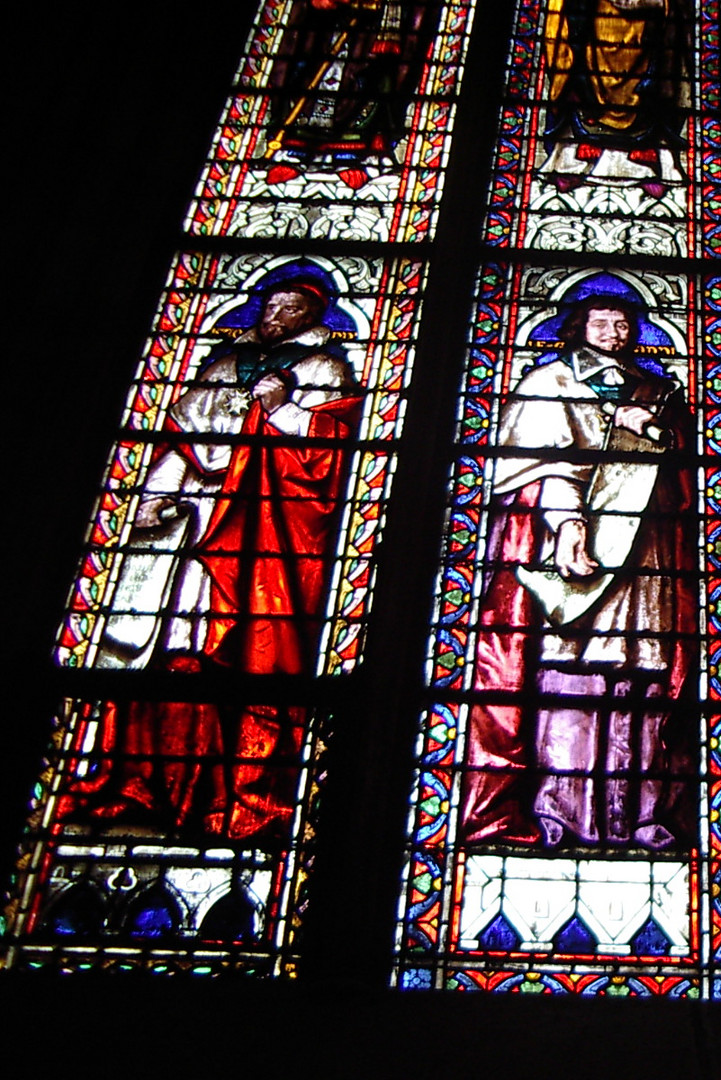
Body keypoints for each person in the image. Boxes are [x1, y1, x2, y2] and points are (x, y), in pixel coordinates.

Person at [60, 274, 362, 841]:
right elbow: (180, 436)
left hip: (261, 532)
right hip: (189, 528)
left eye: (290, 307)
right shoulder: (222, 368)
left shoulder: (324, 370)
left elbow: (325, 459)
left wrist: (280, 411)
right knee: (165, 643)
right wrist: (154, 495)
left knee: (238, 648)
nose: (276, 314)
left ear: (311, 316)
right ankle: (140, 784)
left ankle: (231, 795)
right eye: (271, 304)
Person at [459, 283, 696, 850]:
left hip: (645, 557)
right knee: (571, 673)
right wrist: (568, 524)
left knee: (640, 677)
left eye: (622, 324)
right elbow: (534, 467)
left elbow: (684, 476)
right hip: (569, 548)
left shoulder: (655, 391)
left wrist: (657, 431)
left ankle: (640, 816)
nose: (614, 334)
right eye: (601, 323)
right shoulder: (548, 384)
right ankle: (560, 814)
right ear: (577, 327)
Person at [264, 0, 441, 189]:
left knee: (373, 76)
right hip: (329, 20)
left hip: (378, 21)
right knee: (310, 69)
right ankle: (296, 149)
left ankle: (359, 156)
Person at [538, 0, 690, 197]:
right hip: (595, 17)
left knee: (648, 74)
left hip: (644, 20)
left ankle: (644, 160)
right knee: (581, 55)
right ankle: (577, 159)